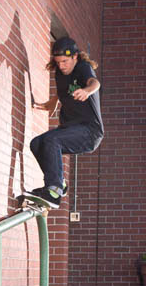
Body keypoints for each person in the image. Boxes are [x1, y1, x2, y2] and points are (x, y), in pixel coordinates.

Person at [24, 36, 104, 208]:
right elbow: (61, 93)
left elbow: (95, 82)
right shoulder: (59, 73)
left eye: (65, 61)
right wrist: (51, 103)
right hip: (70, 128)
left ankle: (54, 192)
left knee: (52, 140)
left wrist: (87, 91)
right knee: (37, 144)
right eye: (58, 62)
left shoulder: (83, 67)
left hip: (89, 131)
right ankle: (60, 183)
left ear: (75, 57)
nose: (61, 66)